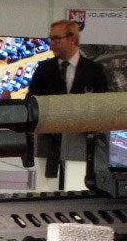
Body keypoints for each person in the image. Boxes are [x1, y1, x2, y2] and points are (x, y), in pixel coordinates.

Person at [27, 20, 109, 188]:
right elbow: (32, 104)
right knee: (46, 192)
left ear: (72, 39)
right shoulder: (44, 69)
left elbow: (103, 107)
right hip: (48, 148)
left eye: (57, 39)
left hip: (81, 150)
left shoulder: (94, 70)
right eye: (51, 39)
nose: (52, 43)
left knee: (77, 190)